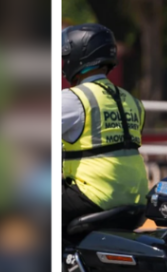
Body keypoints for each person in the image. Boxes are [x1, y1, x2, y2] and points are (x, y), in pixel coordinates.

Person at [61, 24, 149, 233]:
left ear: (78, 55)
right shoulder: (133, 101)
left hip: (95, 195)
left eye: (65, 55)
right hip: (137, 199)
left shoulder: (74, 99)